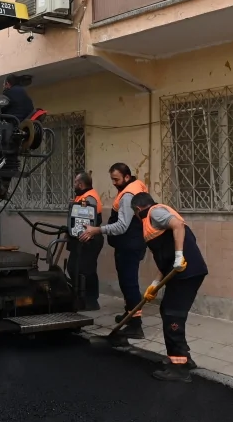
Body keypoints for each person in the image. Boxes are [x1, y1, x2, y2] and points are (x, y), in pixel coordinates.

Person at [130, 192, 208, 383]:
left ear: (138, 209)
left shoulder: (155, 212)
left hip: (186, 271)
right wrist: (155, 284)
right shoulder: (153, 222)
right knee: (167, 310)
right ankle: (184, 357)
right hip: (181, 272)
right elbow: (165, 258)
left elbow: (178, 225)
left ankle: (179, 368)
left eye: (134, 213)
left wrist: (179, 256)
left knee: (173, 314)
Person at [80, 163, 148, 338]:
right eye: (112, 179)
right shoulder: (135, 186)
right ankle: (129, 313)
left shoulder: (128, 195)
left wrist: (97, 230)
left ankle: (136, 325)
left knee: (129, 283)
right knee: (127, 281)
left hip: (129, 245)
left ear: (127, 177)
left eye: (116, 179)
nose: (114, 183)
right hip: (132, 243)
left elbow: (121, 226)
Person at [68, 171, 103, 311]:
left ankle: (91, 301)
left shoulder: (89, 198)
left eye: (75, 182)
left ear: (81, 184)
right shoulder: (83, 196)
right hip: (81, 238)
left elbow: (88, 220)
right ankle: (81, 298)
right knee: (75, 268)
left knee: (87, 270)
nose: (74, 185)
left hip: (89, 239)